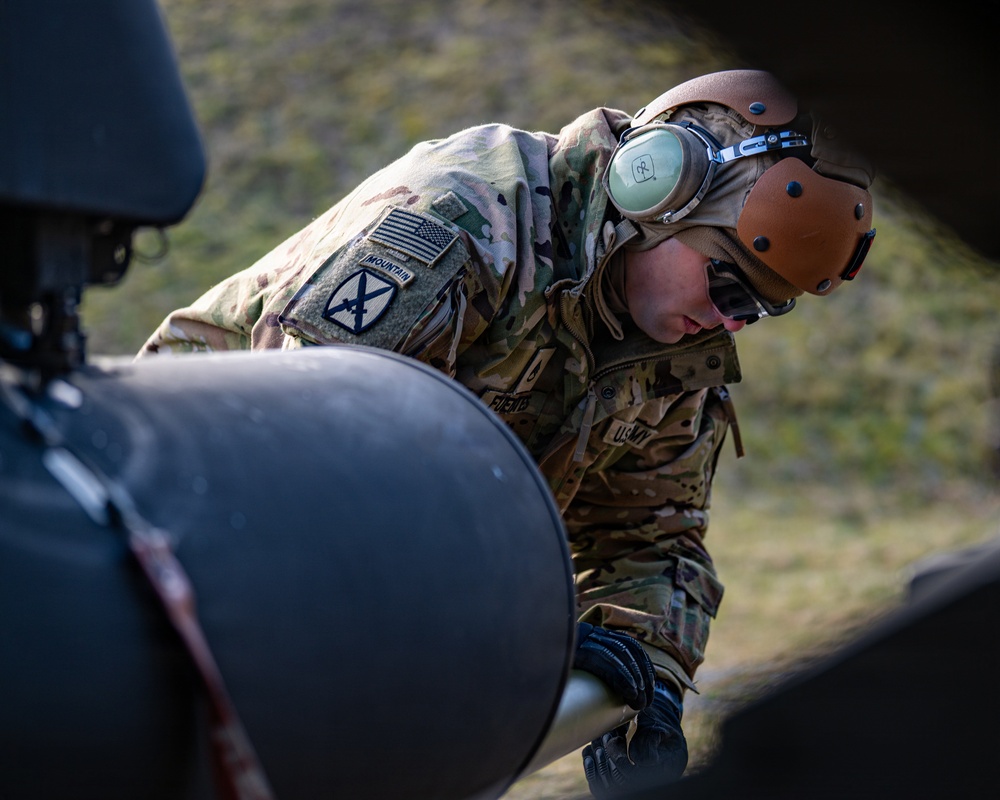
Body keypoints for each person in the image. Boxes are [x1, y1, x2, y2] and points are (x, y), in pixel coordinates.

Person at [137, 69, 876, 797]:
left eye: (759, 308)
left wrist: (648, 679)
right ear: (654, 192)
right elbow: (298, 466)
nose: (729, 321)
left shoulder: (678, 346)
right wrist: (514, 630)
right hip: (165, 527)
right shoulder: (463, 221)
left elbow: (654, 539)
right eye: (727, 283)